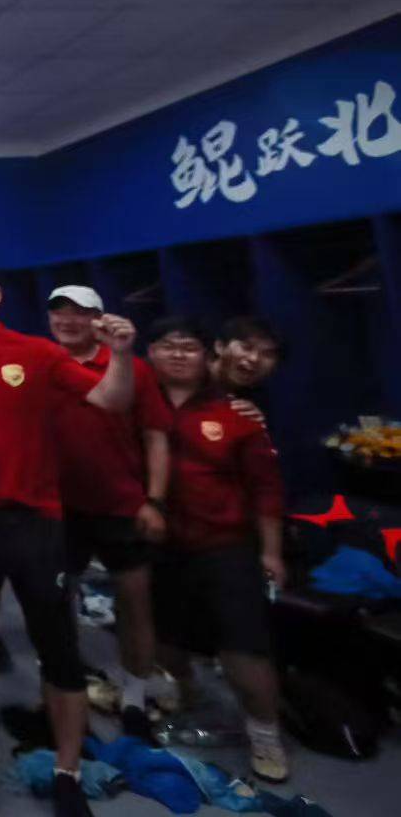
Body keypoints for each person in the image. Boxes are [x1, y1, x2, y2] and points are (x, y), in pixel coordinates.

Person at [0, 257, 138, 817]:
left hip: (34, 519)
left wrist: (122, 354)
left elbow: (110, 400)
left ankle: (68, 769)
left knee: (56, 644)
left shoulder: (37, 352)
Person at [145, 316, 288, 783]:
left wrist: (271, 553)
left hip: (225, 546)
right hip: (161, 543)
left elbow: (266, 491)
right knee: (166, 637)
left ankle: (265, 735)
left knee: (243, 647)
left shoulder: (238, 414)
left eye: (189, 347)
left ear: (208, 356)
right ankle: (185, 695)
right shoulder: (138, 404)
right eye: (169, 346)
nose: (179, 355)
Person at [47, 286, 173, 741]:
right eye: (59, 313)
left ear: (99, 319)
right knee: (55, 602)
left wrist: (154, 500)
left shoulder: (132, 368)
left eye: (80, 313)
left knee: (134, 601)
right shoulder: (43, 365)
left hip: (122, 503)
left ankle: (135, 697)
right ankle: (66, 687)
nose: (68, 321)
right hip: (59, 506)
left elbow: (156, 436)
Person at [211, 316, 282, 403]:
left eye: (267, 354)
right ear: (220, 346)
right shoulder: (196, 380)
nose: (254, 358)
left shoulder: (258, 400)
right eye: (246, 348)